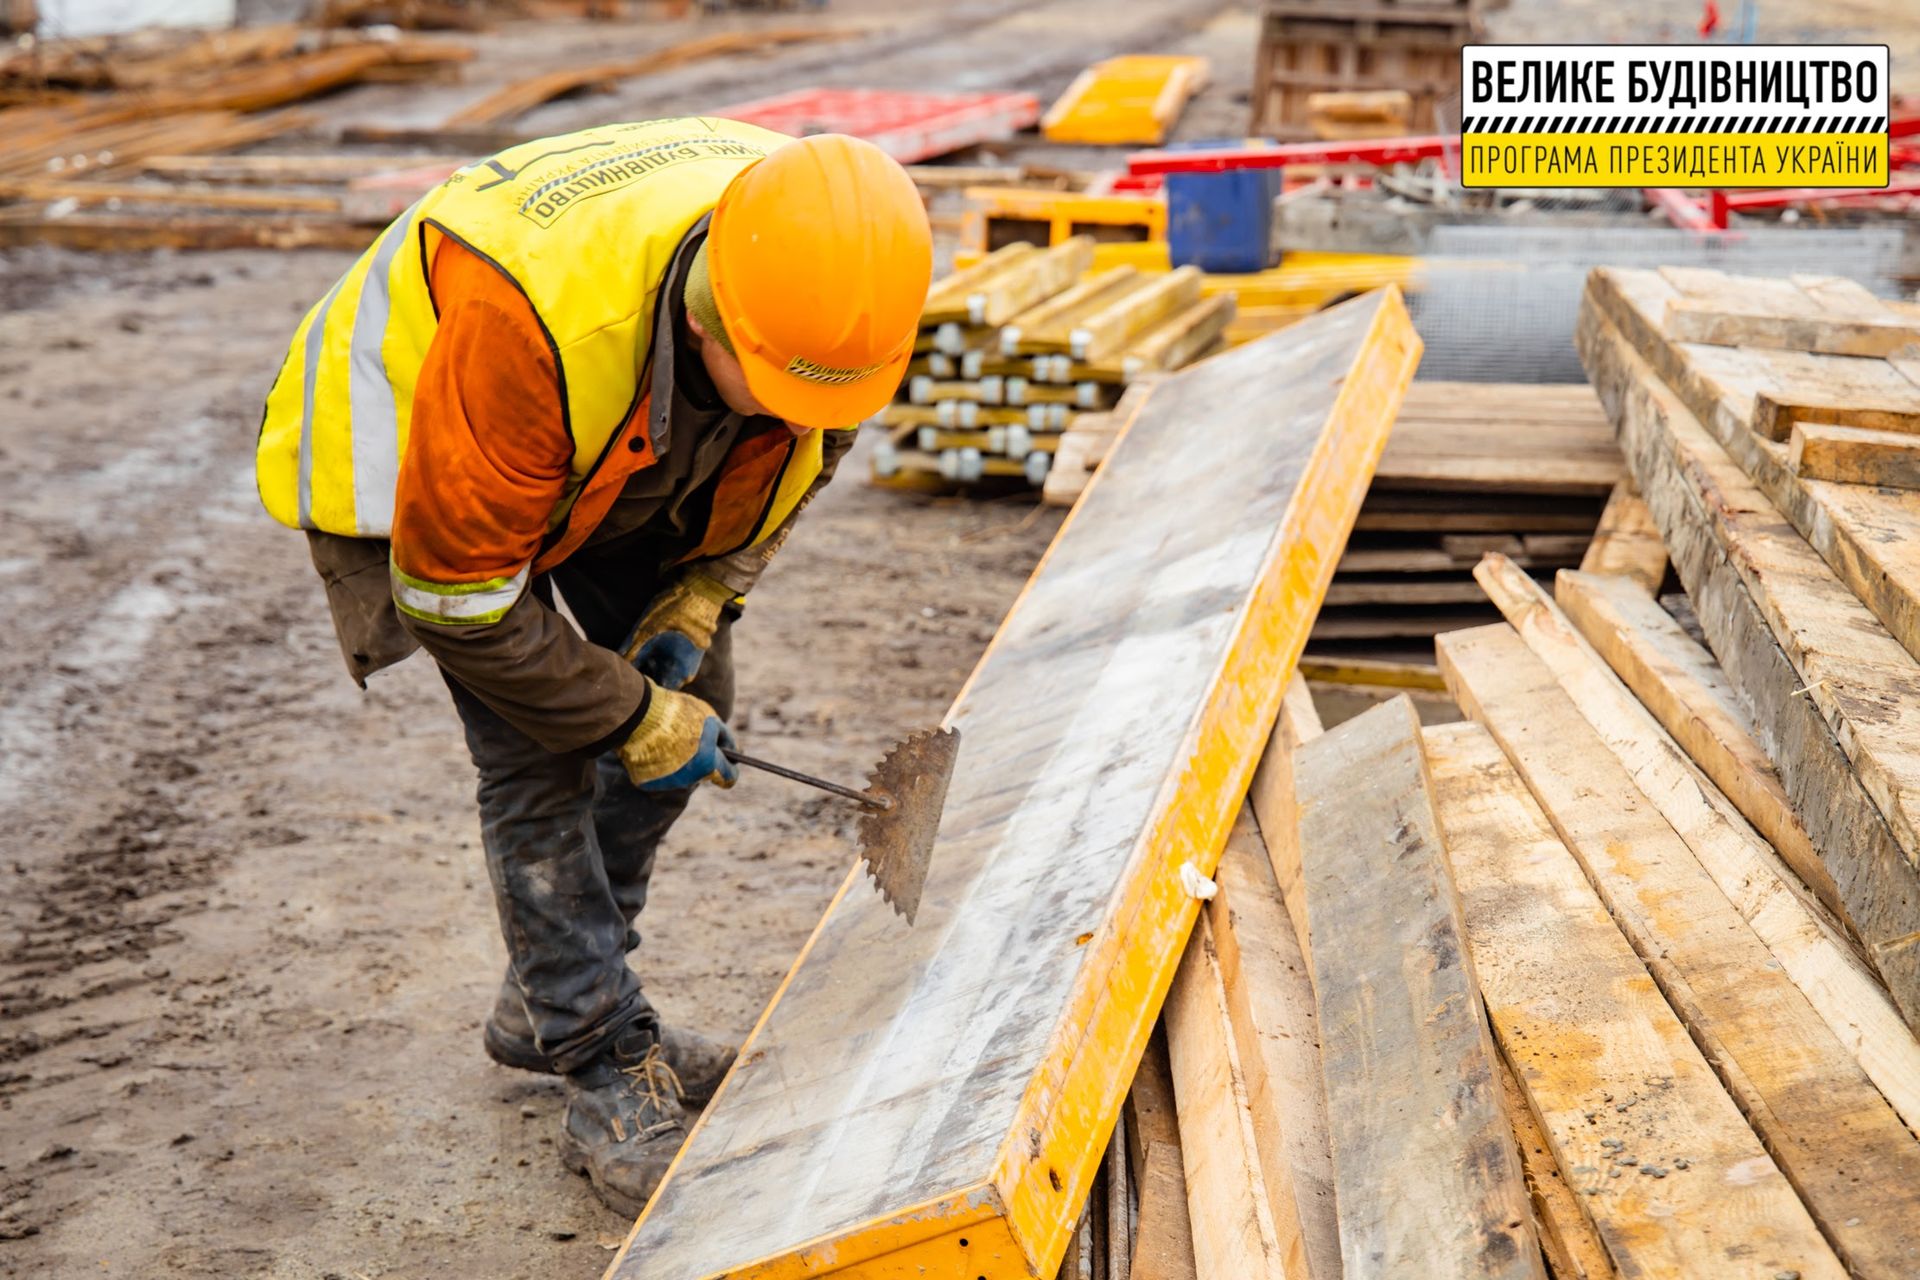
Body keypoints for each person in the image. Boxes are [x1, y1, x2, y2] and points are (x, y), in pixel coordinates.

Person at [253, 118, 933, 1213]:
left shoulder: (831, 264)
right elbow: (460, 602)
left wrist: (709, 589)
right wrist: (620, 716)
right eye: (766, 382)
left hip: (610, 433)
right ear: (714, 310)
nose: (791, 410)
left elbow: (818, 430)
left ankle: (546, 992)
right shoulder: (527, 325)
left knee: (692, 701)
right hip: (440, 469)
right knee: (542, 749)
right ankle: (600, 1056)